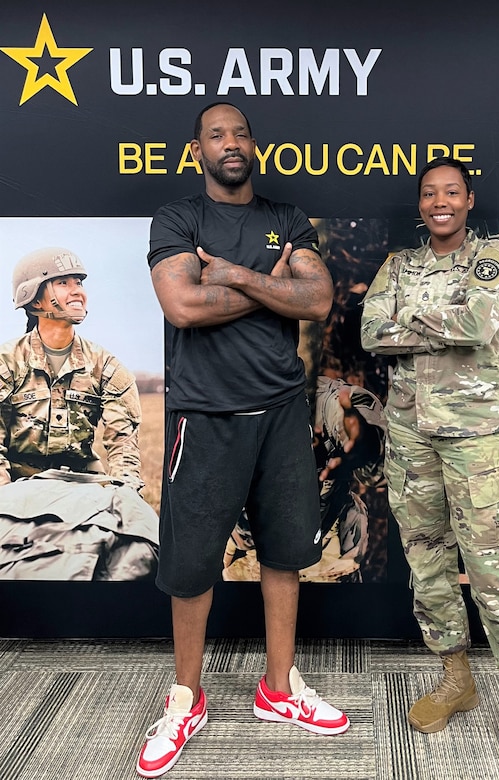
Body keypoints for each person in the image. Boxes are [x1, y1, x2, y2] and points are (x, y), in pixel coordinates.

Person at [137, 102, 349, 779]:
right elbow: (183, 306)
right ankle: (185, 698)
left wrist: (231, 274)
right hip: (204, 416)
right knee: (193, 566)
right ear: (197, 149)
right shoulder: (177, 219)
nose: (230, 143)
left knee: (285, 554)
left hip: (283, 413)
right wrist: (273, 284)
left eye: (240, 133)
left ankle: (278, 689)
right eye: (216, 134)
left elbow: (316, 298)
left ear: (254, 146)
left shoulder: (285, 217)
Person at [361, 157, 499, 780]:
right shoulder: (399, 263)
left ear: (469, 200)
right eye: (429, 193)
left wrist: (411, 322)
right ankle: (456, 679)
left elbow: (480, 323)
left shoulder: (493, 259)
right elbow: (371, 331)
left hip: (476, 440)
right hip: (411, 434)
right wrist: (441, 326)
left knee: (492, 567)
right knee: (426, 562)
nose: (439, 202)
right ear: (420, 203)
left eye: (451, 192)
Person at [0, 247, 158, 580]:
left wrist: (124, 497)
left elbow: (123, 450)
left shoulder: (108, 367)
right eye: (62, 283)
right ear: (35, 300)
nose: (77, 291)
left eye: (79, 282)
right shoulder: (6, 363)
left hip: (84, 486)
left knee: (144, 539)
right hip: (17, 486)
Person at [222, 375, 386, 583]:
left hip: (325, 544)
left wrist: (368, 446)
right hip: (256, 547)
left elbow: (376, 467)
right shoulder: (231, 403)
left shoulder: (329, 402)